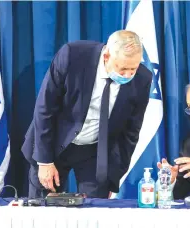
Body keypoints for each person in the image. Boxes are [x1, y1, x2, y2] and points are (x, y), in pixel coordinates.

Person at [22, 30, 152, 198]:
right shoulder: (73, 56)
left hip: (95, 152)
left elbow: (130, 132)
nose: (128, 75)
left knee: (95, 212)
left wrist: (113, 176)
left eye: (133, 69)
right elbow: (45, 108)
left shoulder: (142, 79)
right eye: (123, 69)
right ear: (107, 56)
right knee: (43, 210)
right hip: (53, 142)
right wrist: (45, 161)